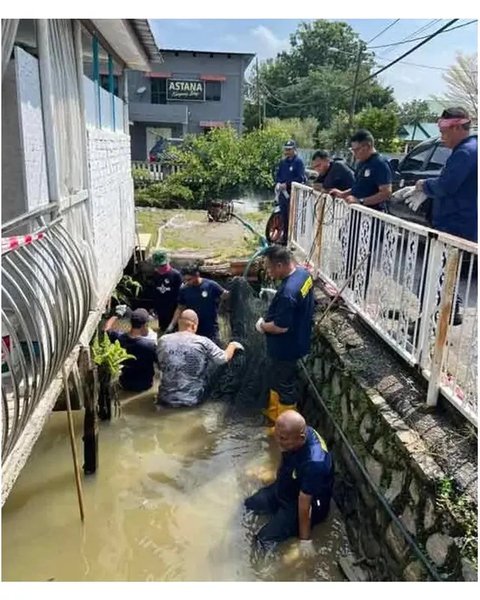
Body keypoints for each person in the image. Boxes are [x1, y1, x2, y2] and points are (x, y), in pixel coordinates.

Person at [245, 410, 334, 553]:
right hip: (288, 486)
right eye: (277, 435)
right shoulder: (298, 434)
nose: (278, 440)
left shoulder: (314, 463)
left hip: (301, 504)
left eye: (283, 438)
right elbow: (286, 459)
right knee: (249, 505)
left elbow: (305, 505)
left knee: (262, 540)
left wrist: (305, 540)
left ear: (301, 437)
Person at [329, 129, 393, 299]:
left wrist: (361, 202)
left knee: (363, 254)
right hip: (356, 214)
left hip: (372, 217)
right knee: (347, 242)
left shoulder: (379, 164)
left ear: (368, 146)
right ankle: (348, 284)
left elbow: (386, 192)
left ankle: (359, 293)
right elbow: (358, 187)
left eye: (357, 149)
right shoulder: (361, 163)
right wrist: (343, 193)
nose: (355, 153)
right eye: (353, 150)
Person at [256, 245, 314, 428]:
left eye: (270, 268)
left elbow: (280, 327)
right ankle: (273, 415)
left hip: (285, 349)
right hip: (298, 340)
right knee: (277, 379)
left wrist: (262, 326)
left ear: (280, 265)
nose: (269, 273)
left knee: (285, 386)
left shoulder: (288, 293)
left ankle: (285, 427)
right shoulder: (304, 275)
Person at [156, 309, 244, 408]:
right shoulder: (203, 342)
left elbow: (159, 364)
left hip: (164, 399)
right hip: (192, 400)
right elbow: (222, 359)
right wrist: (232, 345)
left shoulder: (162, 341)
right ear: (194, 326)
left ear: (179, 323)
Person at [415, 107, 477, 243]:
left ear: (456, 128)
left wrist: (423, 185)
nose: (442, 138)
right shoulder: (473, 148)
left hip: (458, 229)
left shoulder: (465, 153)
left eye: (444, 132)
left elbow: (446, 185)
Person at [166, 265, 229, 342]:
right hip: (193, 328)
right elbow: (180, 308)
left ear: (197, 275)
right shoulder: (184, 290)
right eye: (185, 280)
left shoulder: (211, 285)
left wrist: (228, 293)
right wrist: (172, 325)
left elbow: (224, 296)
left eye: (189, 279)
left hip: (211, 328)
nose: (187, 282)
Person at [104, 308, 158, 392]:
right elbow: (160, 364)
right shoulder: (150, 345)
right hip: (145, 385)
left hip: (124, 383)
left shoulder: (118, 338)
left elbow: (105, 330)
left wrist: (116, 315)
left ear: (131, 323)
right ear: (144, 325)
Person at [275, 140, 306, 243]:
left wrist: (287, 184)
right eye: (286, 149)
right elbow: (278, 175)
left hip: (293, 193)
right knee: (283, 216)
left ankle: (293, 240)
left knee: (292, 216)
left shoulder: (298, 162)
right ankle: (284, 239)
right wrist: (279, 183)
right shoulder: (283, 162)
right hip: (282, 194)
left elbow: (300, 178)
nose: (287, 152)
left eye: (289, 149)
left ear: (294, 149)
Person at [151, 250, 182, 332]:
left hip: (173, 309)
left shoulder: (176, 275)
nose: (160, 268)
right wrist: (153, 307)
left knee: (174, 330)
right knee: (162, 328)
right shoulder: (155, 275)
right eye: (158, 266)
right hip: (160, 308)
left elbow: (180, 295)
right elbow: (154, 291)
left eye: (162, 265)